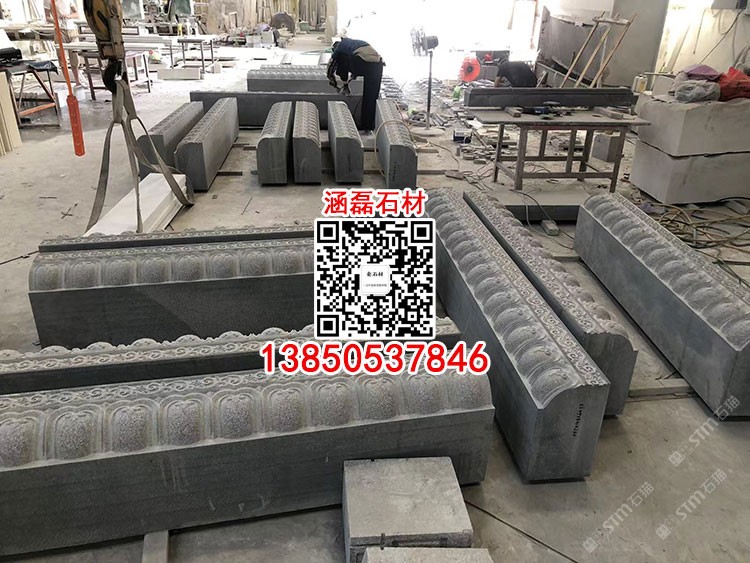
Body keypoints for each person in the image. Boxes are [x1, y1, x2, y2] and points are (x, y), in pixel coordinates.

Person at [327, 38, 385, 131]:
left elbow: (330, 67)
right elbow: (361, 57)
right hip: (378, 65)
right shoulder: (354, 44)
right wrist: (354, 74)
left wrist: (333, 82)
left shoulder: (339, 48)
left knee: (340, 61)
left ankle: (345, 85)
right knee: (371, 98)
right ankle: (368, 126)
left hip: (363, 63)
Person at [44, 0, 82, 86]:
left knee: (74, 56)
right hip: (59, 29)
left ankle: (78, 81)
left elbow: (77, 14)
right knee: (62, 57)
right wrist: (55, 21)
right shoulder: (48, 1)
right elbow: (47, 17)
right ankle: (68, 83)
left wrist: (68, 16)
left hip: (71, 29)